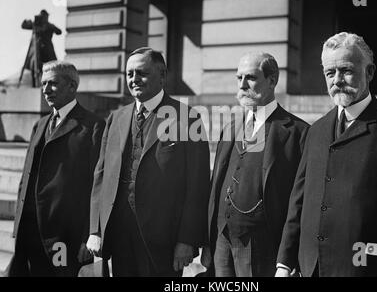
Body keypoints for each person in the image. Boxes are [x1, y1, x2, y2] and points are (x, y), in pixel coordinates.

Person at [276, 32, 377, 277]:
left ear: (370, 72)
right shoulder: (316, 130)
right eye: (329, 73)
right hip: (310, 269)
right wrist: (284, 263)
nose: (337, 80)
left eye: (346, 70)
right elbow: (298, 202)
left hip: (362, 269)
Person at [86, 47, 210, 277]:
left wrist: (187, 240)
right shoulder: (116, 117)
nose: (134, 80)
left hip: (164, 241)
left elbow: (198, 187)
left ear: (162, 75)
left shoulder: (187, 118)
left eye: (142, 73)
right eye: (130, 74)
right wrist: (96, 229)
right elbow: (101, 176)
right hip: (120, 235)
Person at [202, 52, 309, 277]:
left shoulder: (297, 132)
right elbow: (215, 188)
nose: (242, 85)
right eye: (238, 78)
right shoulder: (230, 127)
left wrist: (287, 259)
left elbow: (300, 202)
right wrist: (208, 241)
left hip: (263, 246)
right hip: (222, 240)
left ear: (272, 81)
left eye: (250, 77)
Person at [7, 61, 105, 276]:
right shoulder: (40, 124)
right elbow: (27, 177)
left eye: (53, 83)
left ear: (72, 86)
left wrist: (88, 236)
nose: (45, 89)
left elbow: (98, 186)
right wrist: (18, 226)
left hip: (64, 236)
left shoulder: (94, 126)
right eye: (43, 84)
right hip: (30, 232)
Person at [21, 9, 62, 87]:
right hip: (37, 50)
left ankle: (48, 84)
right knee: (34, 67)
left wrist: (51, 27)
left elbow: (59, 32)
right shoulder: (36, 25)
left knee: (50, 67)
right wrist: (27, 22)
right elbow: (23, 26)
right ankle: (34, 85)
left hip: (47, 50)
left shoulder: (49, 25)